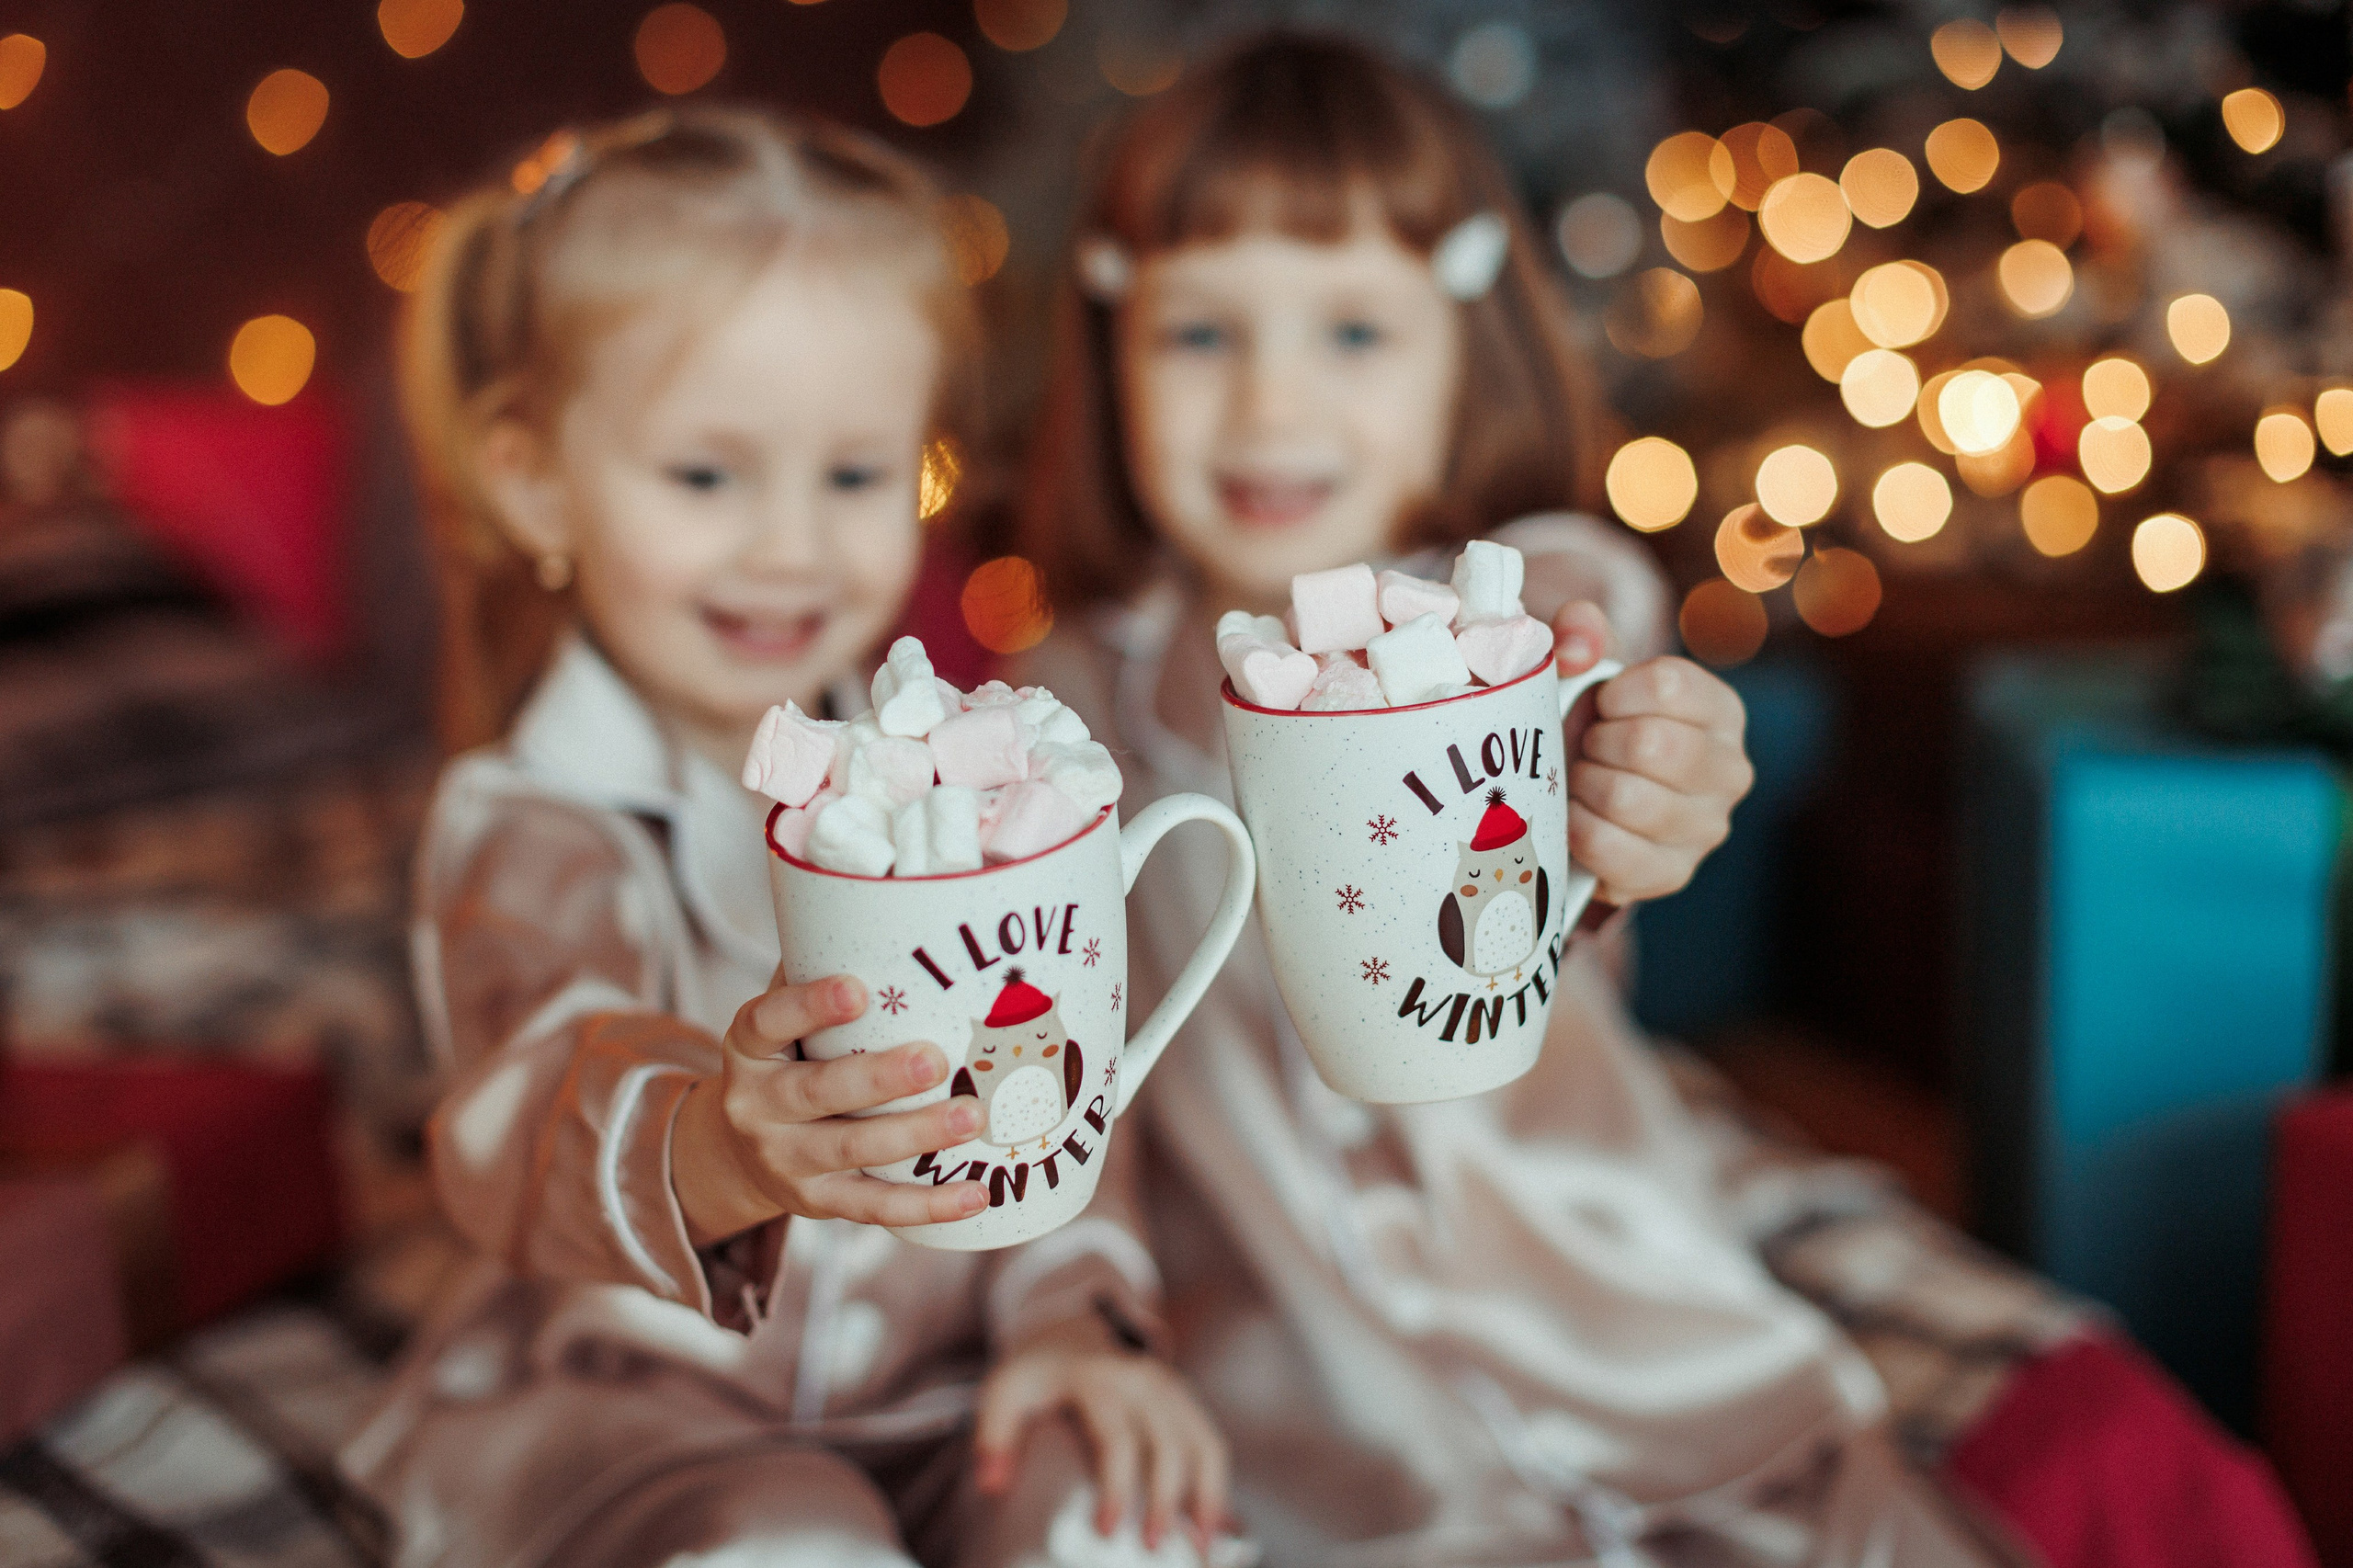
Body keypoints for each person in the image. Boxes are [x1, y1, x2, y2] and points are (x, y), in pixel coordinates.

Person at [1016, 33, 2074, 1566]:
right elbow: (1063, 1053)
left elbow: (1610, 695)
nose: (1271, 402)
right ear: (1110, 346)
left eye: (1354, 332)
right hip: (1309, 1414)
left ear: (1464, 345)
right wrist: (1081, 1312)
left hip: (1632, 1345)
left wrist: (1645, 783)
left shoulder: (1525, 606)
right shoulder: (1071, 693)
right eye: (1200, 335)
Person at [341, 107, 1231, 1568]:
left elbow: (1063, 1069)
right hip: (643, 1413)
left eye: (855, 474)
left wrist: (1082, 1323)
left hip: (946, 1391)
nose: (790, 546)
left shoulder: (973, 780)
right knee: (784, 1542)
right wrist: (719, 1142)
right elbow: (529, 1100)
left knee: (1125, 1512)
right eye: (706, 476)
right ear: (533, 477)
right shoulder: (532, 824)